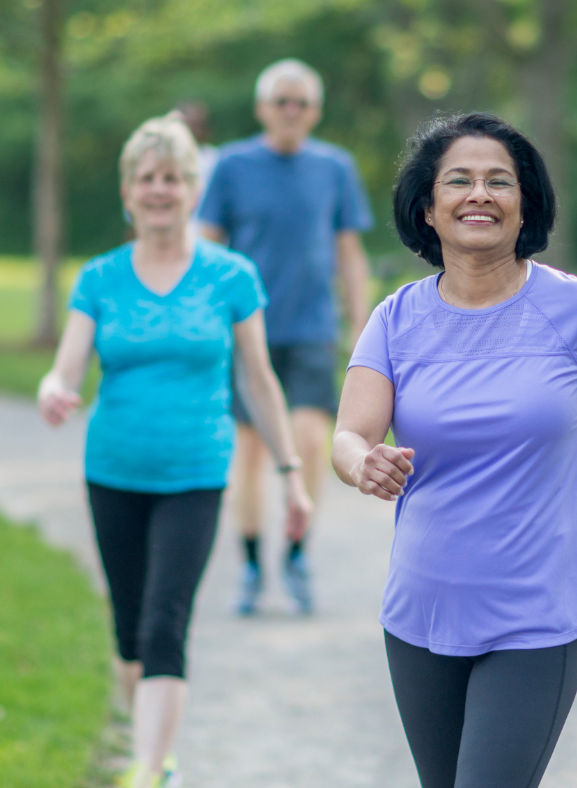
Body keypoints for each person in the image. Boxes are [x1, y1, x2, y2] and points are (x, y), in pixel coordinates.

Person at [332, 113, 577, 788]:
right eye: (457, 181)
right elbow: (349, 435)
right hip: (420, 613)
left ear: (526, 207)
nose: (479, 194)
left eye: (500, 181)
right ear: (428, 209)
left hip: (538, 614)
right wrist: (360, 462)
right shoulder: (395, 319)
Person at [38, 112, 311, 788]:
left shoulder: (231, 276)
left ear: (193, 190)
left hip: (194, 471)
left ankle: (150, 769)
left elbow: (258, 378)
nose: (160, 190)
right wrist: (53, 388)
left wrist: (292, 475)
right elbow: (67, 366)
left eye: (173, 178)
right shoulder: (100, 279)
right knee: (130, 633)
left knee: (165, 622)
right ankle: (153, 754)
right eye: (147, 178)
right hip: (114, 470)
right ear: (128, 192)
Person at [199, 58, 373, 615]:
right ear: (262, 109)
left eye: (301, 102)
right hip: (246, 332)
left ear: (315, 111)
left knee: (307, 442)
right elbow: (207, 246)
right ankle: (251, 563)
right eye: (282, 102)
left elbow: (349, 251)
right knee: (249, 450)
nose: (291, 111)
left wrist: (362, 325)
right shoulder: (231, 166)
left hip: (312, 328)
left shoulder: (335, 167)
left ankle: (297, 550)